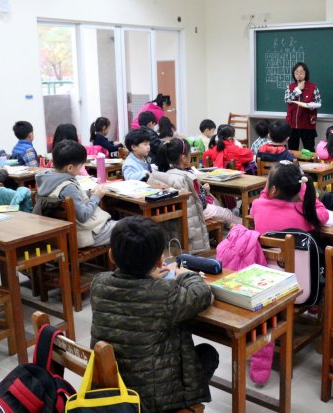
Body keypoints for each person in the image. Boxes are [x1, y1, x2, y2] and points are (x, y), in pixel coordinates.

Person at [90, 216, 217, 413]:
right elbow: (202, 294)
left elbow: (133, 293)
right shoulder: (163, 293)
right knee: (208, 354)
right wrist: (185, 275)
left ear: (111, 256)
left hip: (112, 391)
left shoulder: (98, 283)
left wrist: (148, 277)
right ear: (159, 260)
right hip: (154, 402)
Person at [36, 140, 116, 248]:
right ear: (70, 168)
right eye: (81, 166)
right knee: (129, 228)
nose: (81, 169)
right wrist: (97, 196)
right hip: (86, 235)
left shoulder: (47, 179)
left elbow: (68, 197)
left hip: (65, 235)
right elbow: (83, 216)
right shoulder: (69, 187)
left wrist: (88, 193)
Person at [156, 138, 241, 225]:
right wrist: (205, 191)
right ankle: (244, 227)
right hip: (195, 213)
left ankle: (229, 225)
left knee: (217, 205)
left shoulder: (166, 173)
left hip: (181, 213)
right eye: (190, 153)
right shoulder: (189, 176)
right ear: (183, 158)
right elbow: (201, 202)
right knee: (227, 213)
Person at [250, 161, 329, 235]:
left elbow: (255, 209)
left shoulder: (257, 205)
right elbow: (324, 214)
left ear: (273, 189)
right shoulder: (305, 213)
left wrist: (266, 191)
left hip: (265, 246)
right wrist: (307, 192)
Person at [284, 62, 321, 151]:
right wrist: (298, 89)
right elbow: (287, 100)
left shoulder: (313, 87)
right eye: (296, 72)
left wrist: (310, 105)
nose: (299, 74)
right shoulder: (290, 87)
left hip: (307, 124)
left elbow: (318, 102)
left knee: (309, 150)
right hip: (292, 124)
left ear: (306, 73)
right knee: (292, 150)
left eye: (301, 72)